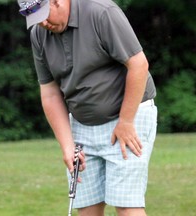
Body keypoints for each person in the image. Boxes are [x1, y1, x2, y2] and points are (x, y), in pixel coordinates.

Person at [17, 0, 157, 215]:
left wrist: (126, 121)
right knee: (88, 207)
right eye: (36, 19)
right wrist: (67, 145)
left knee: (127, 204)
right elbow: (50, 93)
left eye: (45, 14)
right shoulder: (39, 34)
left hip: (128, 116)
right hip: (81, 122)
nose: (43, 23)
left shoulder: (101, 12)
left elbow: (138, 64)